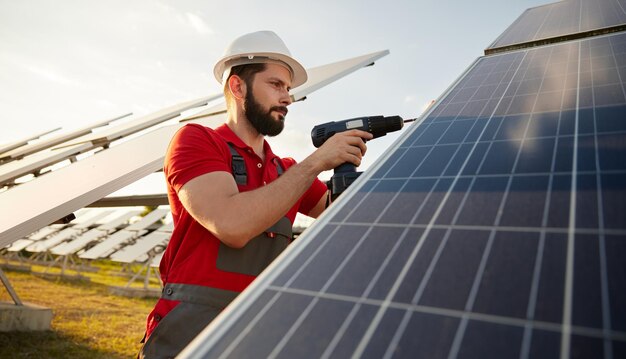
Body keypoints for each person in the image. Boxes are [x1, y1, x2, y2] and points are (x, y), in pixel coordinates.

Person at [139, 30, 372, 358]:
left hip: (259, 329)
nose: (288, 98)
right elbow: (231, 224)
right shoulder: (197, 141)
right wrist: (317, 162)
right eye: (276, 84)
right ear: (237, 86)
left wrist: (427, 139)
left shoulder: (285, 169)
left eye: (288, 89)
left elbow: (348, 212)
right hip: (189, 331)